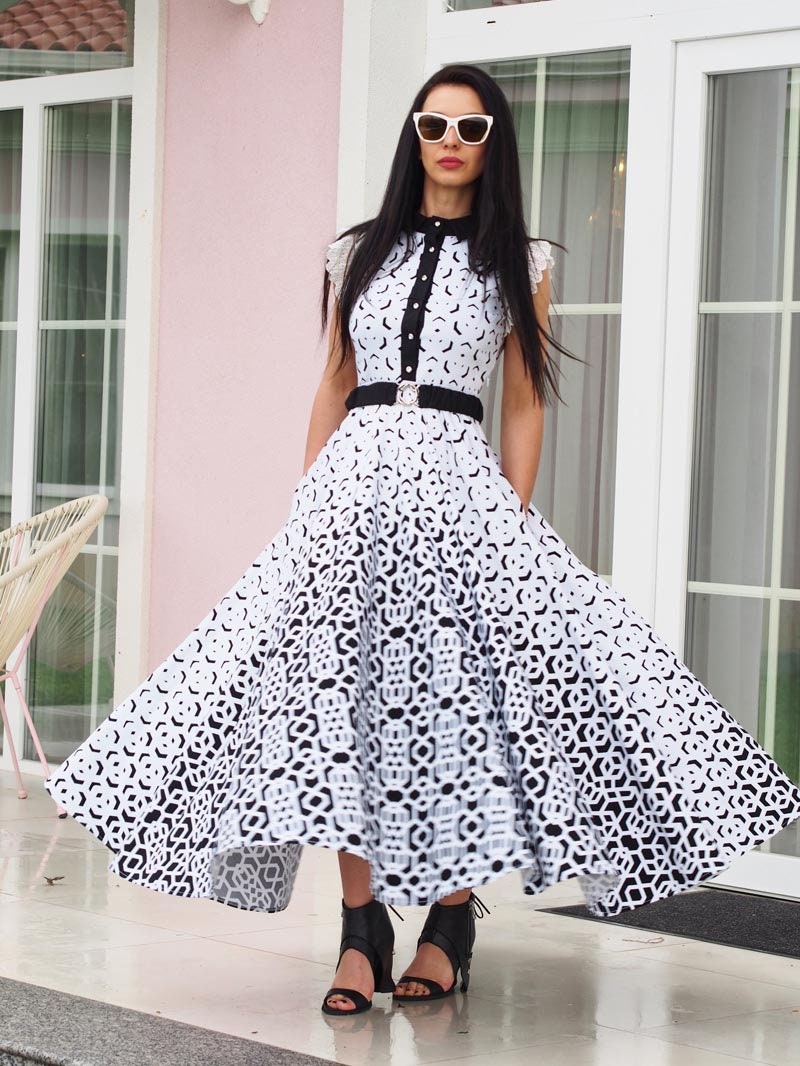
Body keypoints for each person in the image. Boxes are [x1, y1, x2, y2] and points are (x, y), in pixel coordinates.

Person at [43, 64, 800, 1021]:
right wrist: (308, 498)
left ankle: (448, 924)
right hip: (351, 493)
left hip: (458, 493)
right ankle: (361, 933)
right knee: (338, 711)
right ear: (414, 135)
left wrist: (510, 518)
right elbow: (334, 379)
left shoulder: (521, 261)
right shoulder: (355, 251)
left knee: (460, 708)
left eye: (471, 129)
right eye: (434, 125)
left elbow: (523, 401)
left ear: (493, 144)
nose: (450, 142)